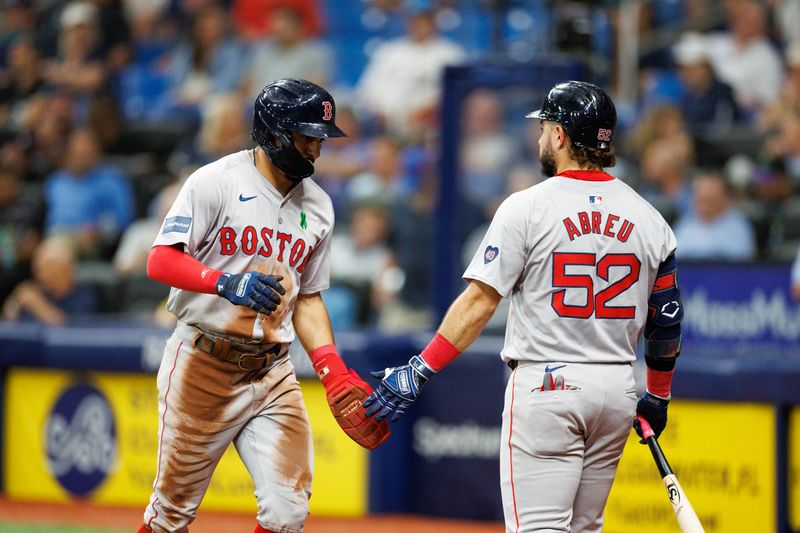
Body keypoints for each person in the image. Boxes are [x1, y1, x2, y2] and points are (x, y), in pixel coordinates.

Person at [364, 81, 685, 532]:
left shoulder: (527, 207)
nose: (539, 138)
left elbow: (478, 302)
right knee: (584, 528)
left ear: (560, 136)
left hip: (548, 385)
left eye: (544, 127)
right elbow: (667, 322)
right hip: (616, 387)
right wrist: (659, 394)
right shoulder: (650, 217)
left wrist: (420, 368)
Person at [137, 78, 388, 533]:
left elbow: (308, 296)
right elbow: (160, 259)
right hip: (203, 362)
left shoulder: (321, 207)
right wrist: (223, 282)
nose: (315, 148)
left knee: (287, 512)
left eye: (320, 138)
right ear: (273, 132)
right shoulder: (216, 181)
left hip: (272, 371)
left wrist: (331, 370)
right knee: (170, 515)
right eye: (306, 136)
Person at [673, 171, 756, 261]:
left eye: (710, 198)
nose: (704, 203)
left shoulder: (738, 226)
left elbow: (742, 261)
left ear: (724, 198)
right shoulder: (685, 223)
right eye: (701, 199)